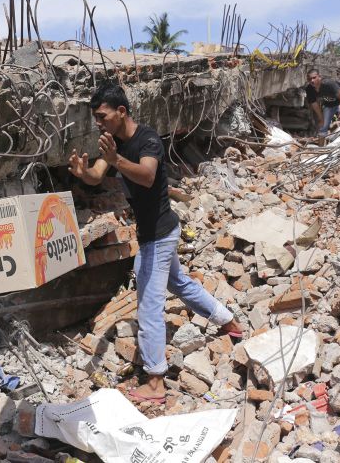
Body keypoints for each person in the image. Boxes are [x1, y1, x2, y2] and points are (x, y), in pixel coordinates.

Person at [67, 83, 242, 404]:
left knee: (148, 305)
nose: (98, 123)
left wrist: (115, 159)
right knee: (179, 283)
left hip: (159, 235)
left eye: (102, 116)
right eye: (96, 118)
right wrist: (84, 173)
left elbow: (147, 175)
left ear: (121, 112)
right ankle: (228, 321)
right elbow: (97, 173)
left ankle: (156, 381)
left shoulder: (147, 140)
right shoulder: (115, 143)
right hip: (156, 232)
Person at [305, 69, 340, 145]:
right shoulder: (309, 89)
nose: (312, 81)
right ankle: (320, 150)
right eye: (310, 79)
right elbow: (314, 105)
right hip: (329, 104)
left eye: (314, 77)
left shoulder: (328, 83)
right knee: (323, 126)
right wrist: (321, 118)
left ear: (319, 77)